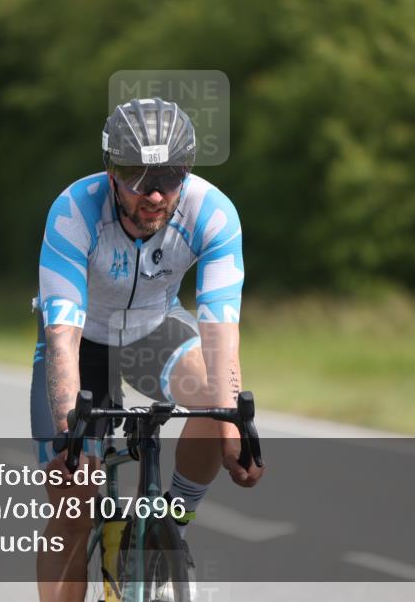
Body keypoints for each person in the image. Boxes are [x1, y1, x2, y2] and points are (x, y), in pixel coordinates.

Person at [31, 98, 263, 602]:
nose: (155, 193)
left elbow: (220, 329)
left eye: (172, 174)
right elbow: (63, 335)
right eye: (137, 176)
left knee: (215, 402)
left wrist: (234, 425)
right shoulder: (74, 210)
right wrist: (70, 426)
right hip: (85, 339)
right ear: (110, 172)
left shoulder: (213, 213)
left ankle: (171, 523)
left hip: (155, 331)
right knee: (74, 504)